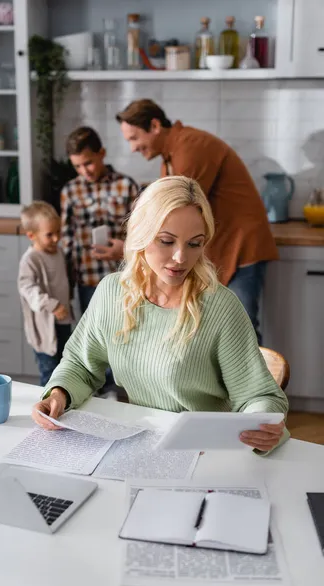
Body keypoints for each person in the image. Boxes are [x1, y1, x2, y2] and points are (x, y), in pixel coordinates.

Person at [32, 176, 289, 455]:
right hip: (141, 444)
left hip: (207, 452)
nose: (181, 257)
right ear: (141, 234)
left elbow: (258, 395)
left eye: (194, 243)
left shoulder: (220, 307)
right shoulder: (111, 294)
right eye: (167, 241)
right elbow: (81, 366)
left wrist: (262, 424)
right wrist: (59, 393)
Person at [115, 99, 278, 344]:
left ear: (155, 125)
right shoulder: (172, 153)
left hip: (241, 246)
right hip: (222, 246)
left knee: (242, 328)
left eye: (134, 138)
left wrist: (135, 244)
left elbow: (178, 211)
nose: (132, 148)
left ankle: (254, 382)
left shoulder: (190, 147)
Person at [60, 126, 138, 314]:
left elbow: (141, 232)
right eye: (77, 166)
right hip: (87, 281)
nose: (84, 171)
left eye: (88, 163)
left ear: (101, 154)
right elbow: (67, 240)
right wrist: (67, 285)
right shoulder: (70, 191)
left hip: (122, 277)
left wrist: (125, 251)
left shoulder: (126, 186)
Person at [18, 201, 72, 387]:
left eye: (58, 232)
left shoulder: (58, 253)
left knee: (66, 368)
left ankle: (64, 406)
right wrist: (52, 305)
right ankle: (46, 409)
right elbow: (27, 288)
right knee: (49, 371)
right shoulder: (30, 259)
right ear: (31, 235)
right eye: (50, 235)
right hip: (44, 328)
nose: (56, 238)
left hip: (63, 321)